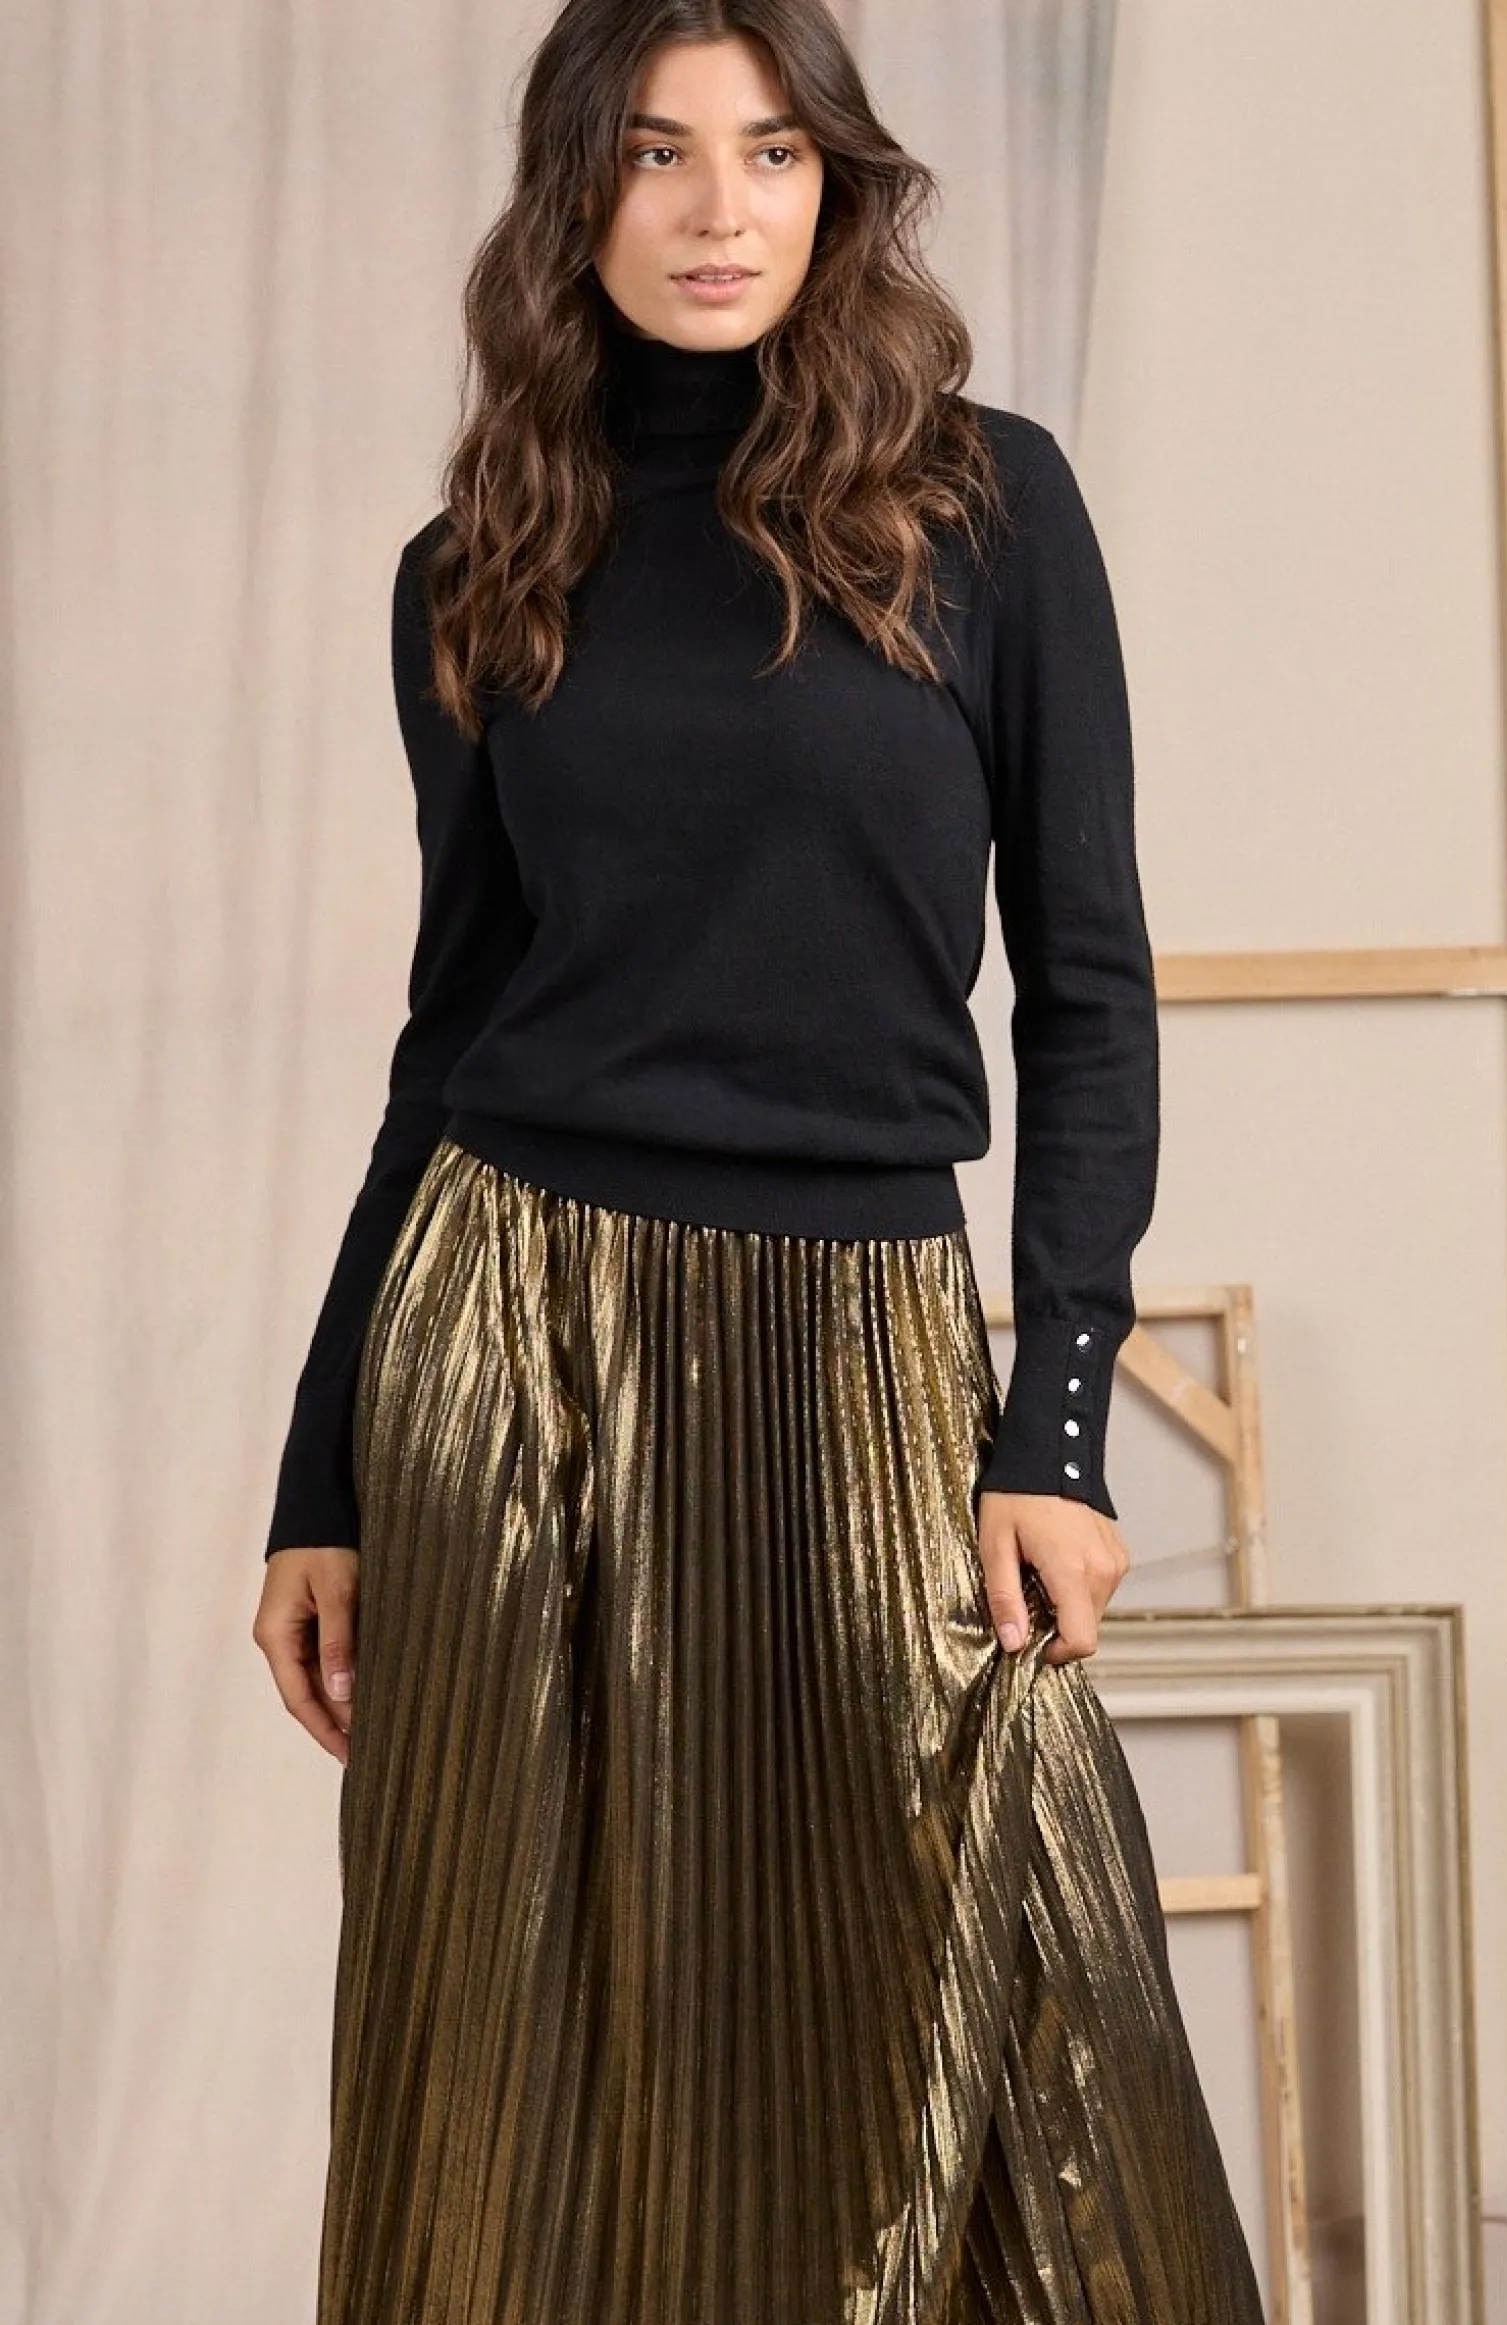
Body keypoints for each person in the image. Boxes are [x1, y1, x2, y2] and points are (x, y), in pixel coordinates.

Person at [251, 4, 1267, 2319]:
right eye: (657, 154)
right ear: (573, 194)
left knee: (982, 2015)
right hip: (511, 1341)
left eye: (773, 152)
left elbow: (1090, 988)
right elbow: (447, 1045)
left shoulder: (984, 508)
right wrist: (324, 1482)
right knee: (512, 2045)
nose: (720, 209)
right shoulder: (478, 563)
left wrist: (1057, 1425)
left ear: (837, 184)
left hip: (856, 1338)